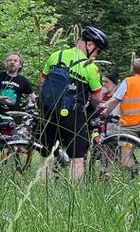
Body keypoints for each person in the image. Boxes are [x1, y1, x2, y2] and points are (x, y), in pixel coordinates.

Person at [39, 26, 108, 180]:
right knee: (77, 159)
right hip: (73, 114)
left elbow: (42, 82)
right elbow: (97, 97)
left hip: (48, 111)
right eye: (98, 50)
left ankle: (41, 190)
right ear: (89, 45)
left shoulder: (56, 55)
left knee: (47, 154)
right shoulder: (91, 67)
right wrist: (93, 109)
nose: (97, 55)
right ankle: (75, 194)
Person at [104, 58, 140, 138]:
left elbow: (115, 100)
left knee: (126, 148)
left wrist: (105, 114)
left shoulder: (128, 82)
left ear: (133, 70)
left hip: (130, 125)